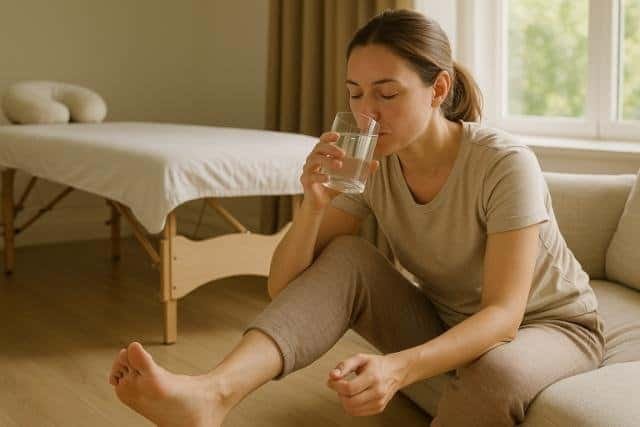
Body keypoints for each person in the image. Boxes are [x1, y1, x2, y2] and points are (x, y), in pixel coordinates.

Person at [108, 9, 604, 427]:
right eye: (355, 94)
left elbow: (503, 317)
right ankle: (212, 393)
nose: (367, 114)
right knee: (344, 253)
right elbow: (285, 287)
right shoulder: (373, 163)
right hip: (447, 320)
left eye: (387, 94)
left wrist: (397, 368)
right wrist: (313, 207)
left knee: (498, 373)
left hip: (551, 328)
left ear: (438, 89)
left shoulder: (502, 163)